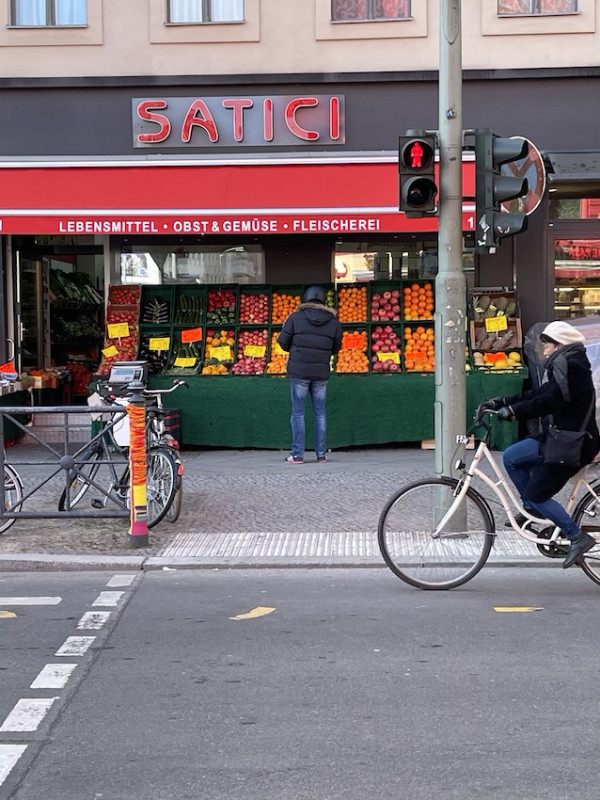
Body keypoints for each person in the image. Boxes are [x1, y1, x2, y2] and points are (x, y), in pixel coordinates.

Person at [481, 320, 600, 569]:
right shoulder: (564, 365)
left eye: (547, 345)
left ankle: (577, 537)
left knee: (538, 493)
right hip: (559, 437)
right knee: (512, 456)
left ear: (560, 345)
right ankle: (533, 509)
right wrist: (502, 401)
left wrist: (514, 412)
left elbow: (549, 401)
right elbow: (540, 393)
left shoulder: (572, 368)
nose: (544, 350)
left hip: (573, 444)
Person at [277, 285, 342, 464]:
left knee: (298, 413)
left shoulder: (295, 318)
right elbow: (336, 347)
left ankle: (297, 455)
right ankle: (321, 454)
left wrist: (295, 349)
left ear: (306, 298)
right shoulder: (333, 322)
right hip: (321, 372)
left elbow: (283, 341)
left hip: (299, 371)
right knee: (320, 413)